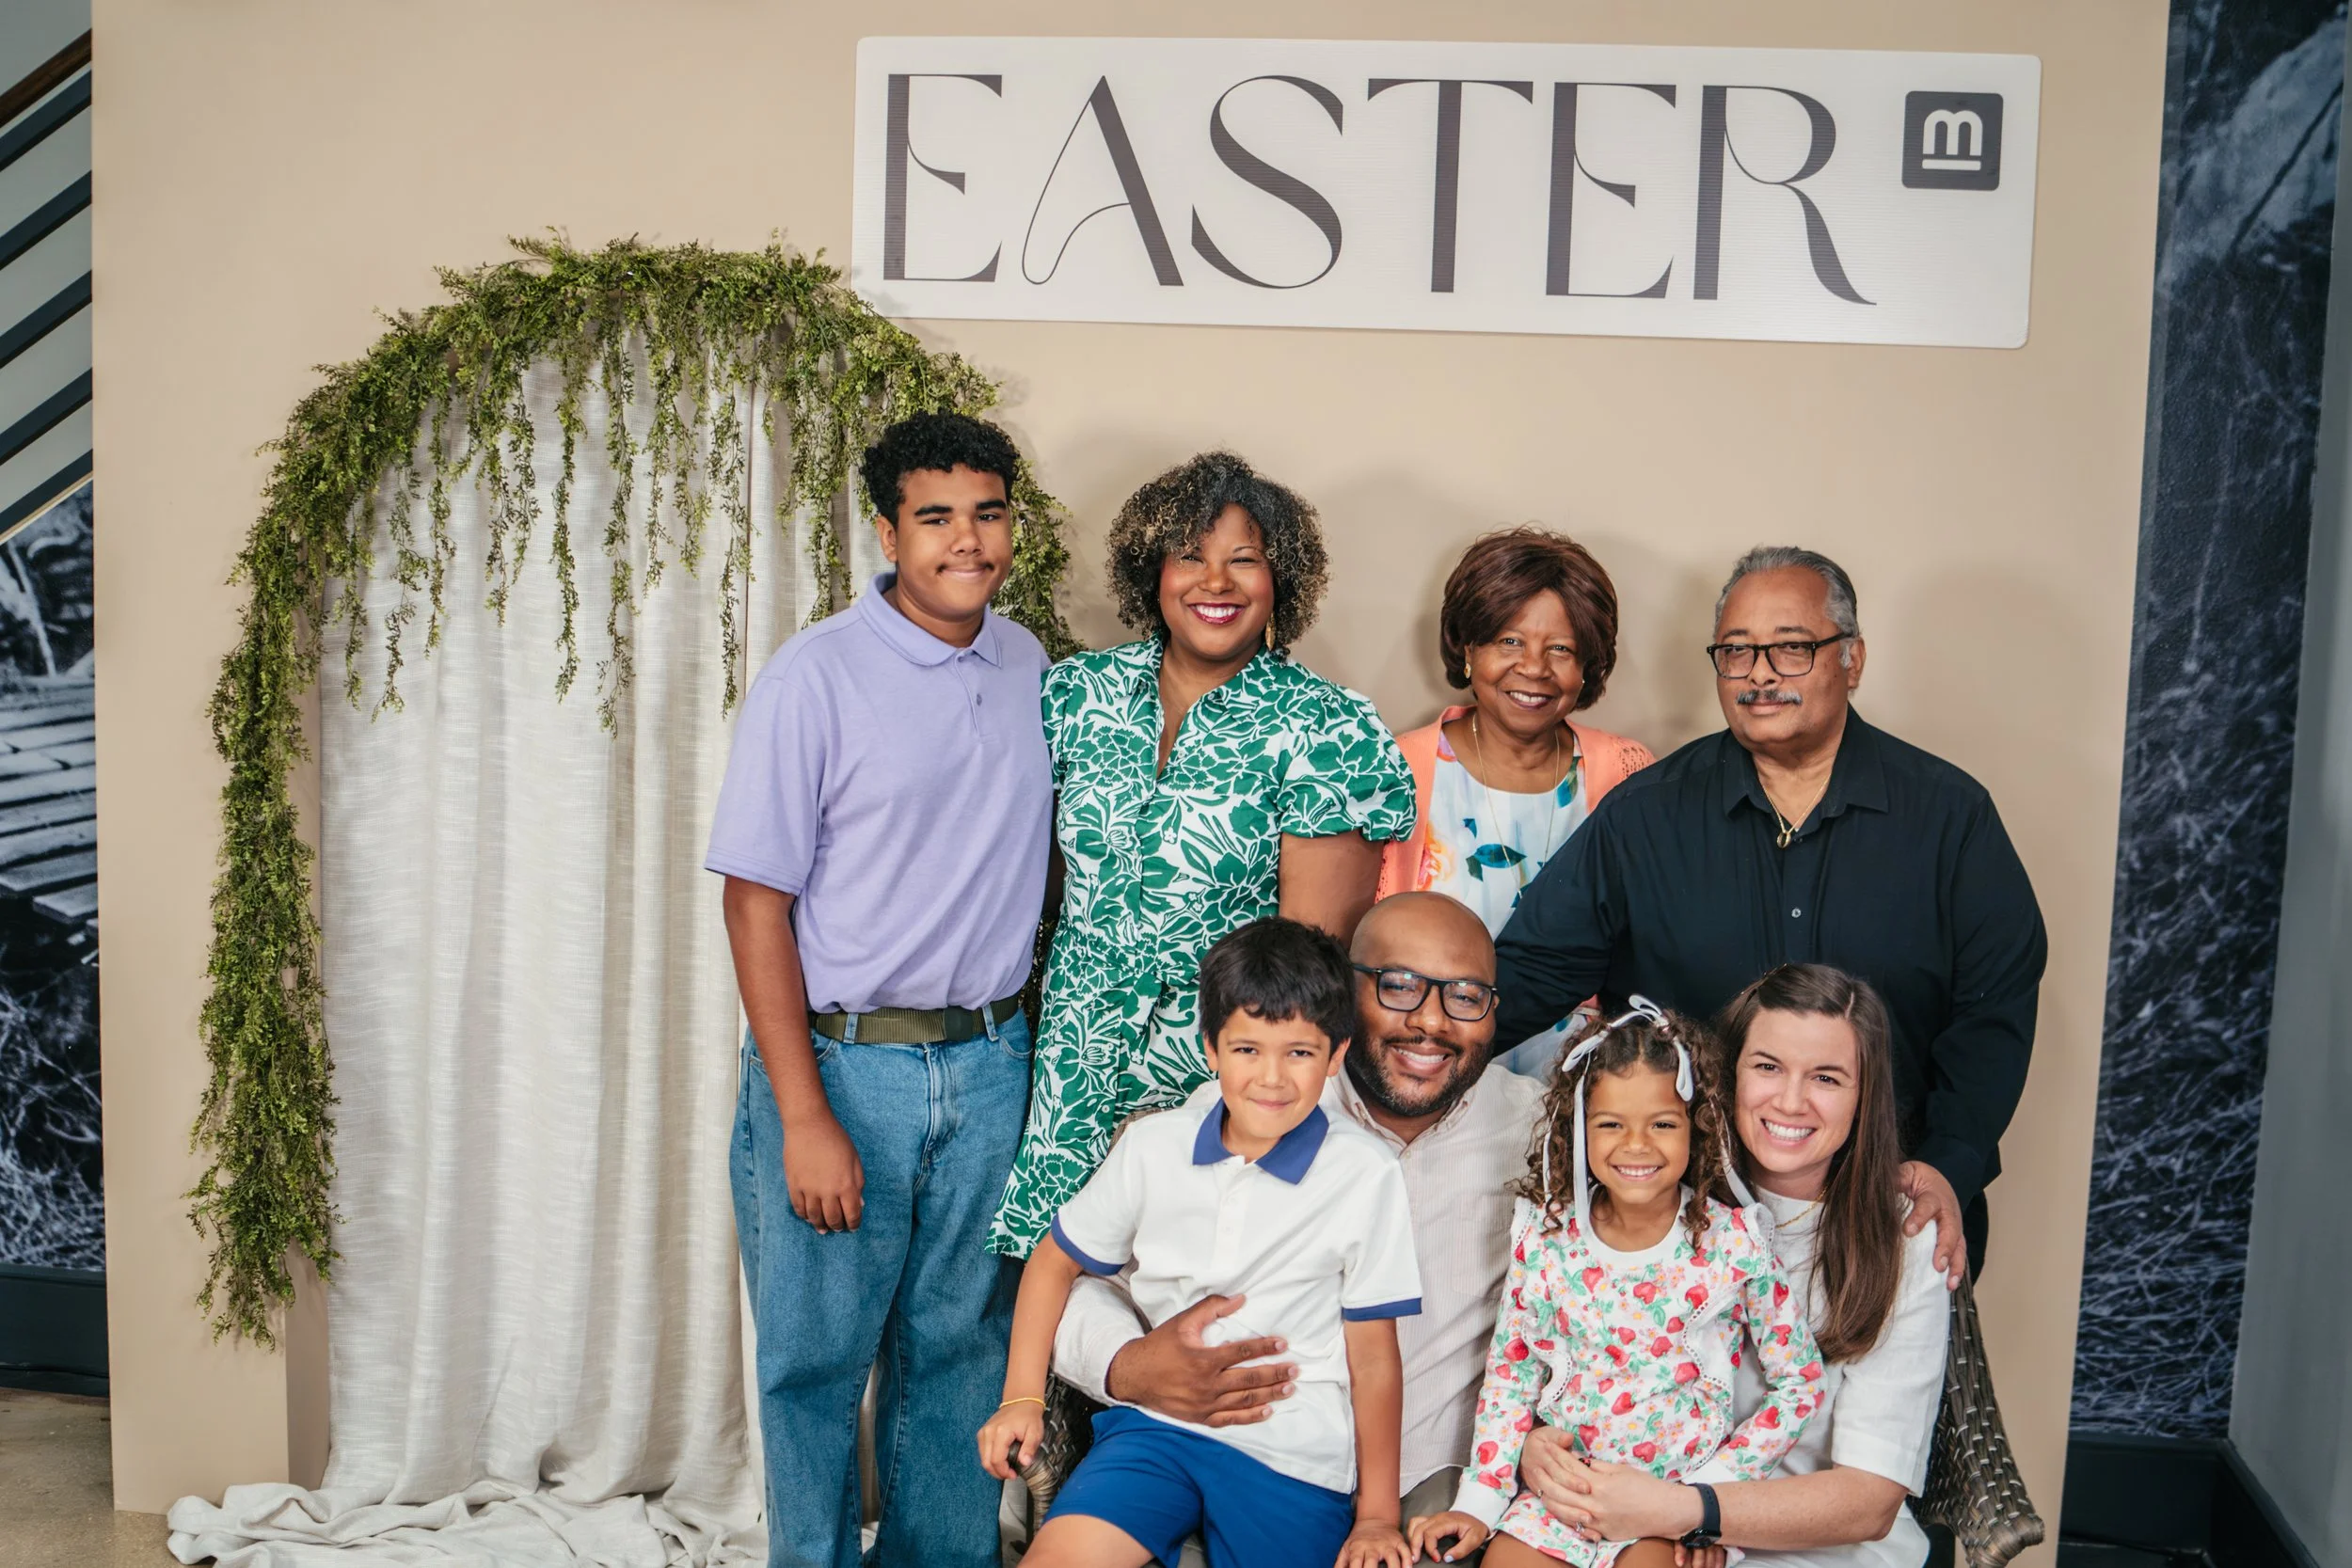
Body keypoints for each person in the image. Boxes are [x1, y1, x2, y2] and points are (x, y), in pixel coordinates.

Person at [1492, 546, 2046, 1280]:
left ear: (1852, 659)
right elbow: (1527, 974)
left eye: (1790, 648)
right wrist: (1403, 1067)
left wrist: (1949, 1162)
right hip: (1682, 1223)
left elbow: (1993, 1019)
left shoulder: (1950, 819)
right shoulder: (1647, 816)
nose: (1758, 674)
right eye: (1736, 651)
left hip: (1884, 1215)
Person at [707, 412, 1052, 1568]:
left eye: (988, 512)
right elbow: (754, 901)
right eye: (937, 515)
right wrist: (804, 1113)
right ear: (887, 529)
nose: (968, 539)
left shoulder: (1027, 663)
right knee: (815, 1361)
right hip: (847, 1065)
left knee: (957, 1347)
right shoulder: (816, 675)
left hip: (994, 1060)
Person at [989, 451, 1416, 1257]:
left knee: (1184, 1310)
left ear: (1281, 580)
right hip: (1068, 1067)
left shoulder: (1326, 729)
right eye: (1190, 554)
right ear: (1151, 572)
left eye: (1244, 560)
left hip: (1214, 1079)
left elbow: (1306, 968)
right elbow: (1033, 884)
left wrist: (1232, 1097)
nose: (1214, 581)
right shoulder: (1077, 695)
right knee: (1053, 1314)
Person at [1051, 891, 1544, 1540]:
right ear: (1344, 994)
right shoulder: (1244, 1105)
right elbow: (1080, 1278)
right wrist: (1127, 1363)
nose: (1431, 1022)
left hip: (1437, 1483)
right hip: (1220, 1450)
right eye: (1398, 986)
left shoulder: (1542, 1129)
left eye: (1464, 995)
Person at [979, 918, 1422, 1568]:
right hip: (1158, 1433)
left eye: (1298, 1052)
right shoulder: (1154, 1147)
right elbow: (1052, 1262)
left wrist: (1378, 1516)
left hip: (1294, 1455)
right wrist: (1020, 1396)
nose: (1271, 1077)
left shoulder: (1366, 1173)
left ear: (1334, 1057)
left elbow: (1376, 1357)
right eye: (1247, 1049)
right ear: (1211, 1048)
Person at [1517, 965, 1954, 1568]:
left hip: (1816, 1550)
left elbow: (1868, 1503)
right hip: (1627, 1526)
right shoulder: (1652, 1188)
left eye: (1826, 1077)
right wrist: (1538, 1447)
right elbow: (1558, 1356)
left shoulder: (1902, 1238)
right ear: (1722, 1074)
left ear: (1865, 1096)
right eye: (1768, 1066)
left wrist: (1695, 1513)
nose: (1791, 1100)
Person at [1407, 1003, 1824, 1568]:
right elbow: (1511, 1374)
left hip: (1665, 1510)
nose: (1636, 1146)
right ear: (1578, 1128)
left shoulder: (1733, 1244)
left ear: (1696, 1125)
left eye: (1662, 1123)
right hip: (1557, 1499)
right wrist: (1481, 1501)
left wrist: (1708, 1499)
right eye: (1610, 1124)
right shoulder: (1547, 1235)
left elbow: (1799, 1384)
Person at [1376, 528, 1656, 1076]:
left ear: (1588, 668)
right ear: (1467, 648)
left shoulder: (1629, 772)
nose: (1534, 668)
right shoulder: (1395, 772)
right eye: (1509, 641)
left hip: (1582, 1097)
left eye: (1562, 649)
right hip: (1433, 1078)